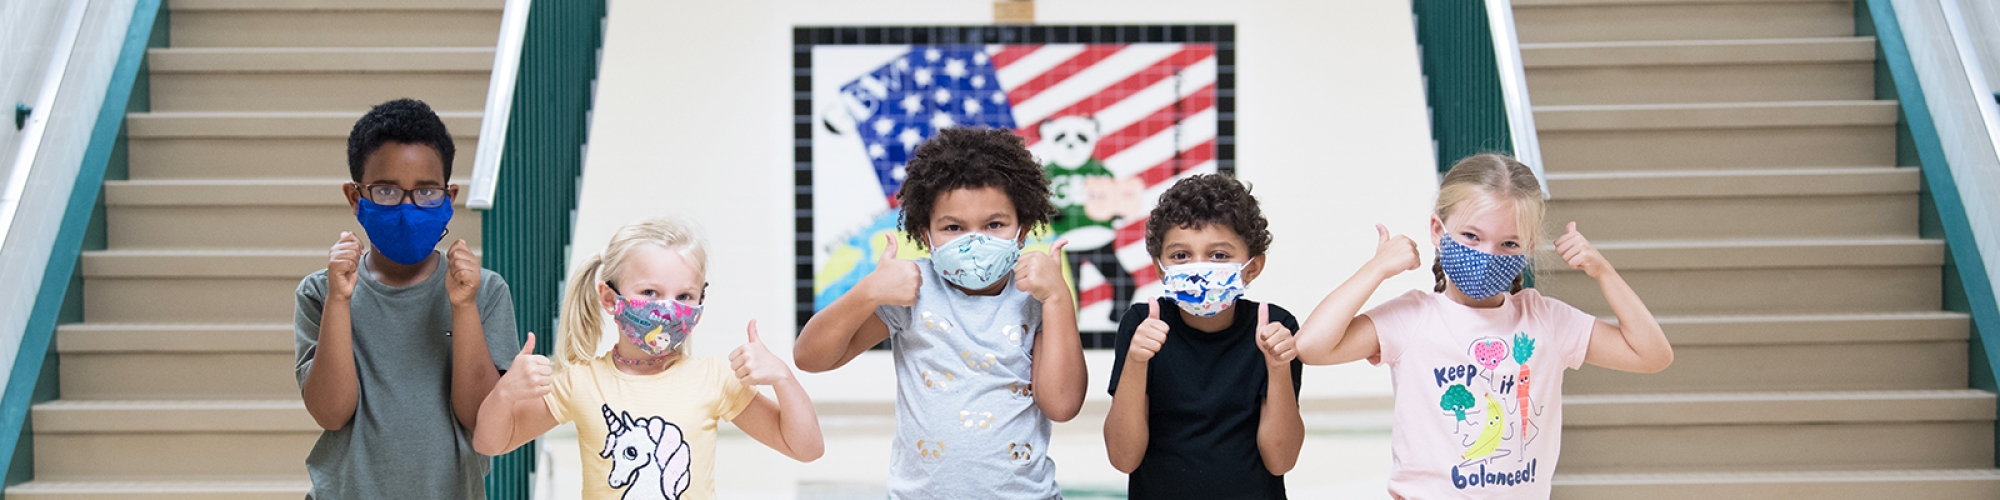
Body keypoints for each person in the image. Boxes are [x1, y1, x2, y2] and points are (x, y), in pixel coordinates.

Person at [1293, 153, 1674, 498]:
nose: (1487, 255)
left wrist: (1602, 271)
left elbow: (1651, 355)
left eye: (1509, 244)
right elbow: (1312, 346)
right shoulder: (1413, 317)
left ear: (1528, 249)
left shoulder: (1546, 319)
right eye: (1472, 236)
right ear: (1438, 231)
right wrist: (1375, 269)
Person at [794, 127, 1088, 499]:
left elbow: (1062, 405)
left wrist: (1058, 297)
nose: (974, 240)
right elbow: (810, 357)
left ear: (1023, 228)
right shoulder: (912, 291)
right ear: (925, 234)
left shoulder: (1036, 295)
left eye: (994, 224)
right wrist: (867, 291)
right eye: (953, 228)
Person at [472, 216, 824, 499]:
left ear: (700, 303)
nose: (668, 308)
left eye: (684, 296)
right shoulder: (581, 381)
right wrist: (505, 393)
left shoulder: (715, 379)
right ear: (610, 299)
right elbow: (491, 442)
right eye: (650, 292)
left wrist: (783, 378)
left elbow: (806, 448)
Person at [294, 98, 521, 499]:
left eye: (427, 192)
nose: (406, 207)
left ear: (449, 197)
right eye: (386, 191)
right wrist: (340, 301)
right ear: (355, 197)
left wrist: (464, 307)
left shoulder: (486, 292)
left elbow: (480, 418)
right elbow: (331, 412)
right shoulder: (321, 292)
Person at [1103, 174, 1305, 499]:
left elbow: (1281, 459)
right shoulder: (1143, 323)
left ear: (1252, 268)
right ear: (1160, 268)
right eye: (1181, 256)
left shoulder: (1273, 326)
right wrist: (1137, 361)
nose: (1199, 269)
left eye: (1219, 256)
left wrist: (1278, 368)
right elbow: (1123, 457)